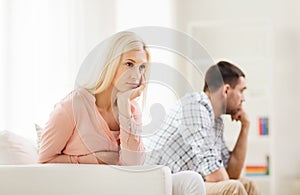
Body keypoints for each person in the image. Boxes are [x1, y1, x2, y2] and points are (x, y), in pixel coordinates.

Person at [38, 31, 205, 195]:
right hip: (91, 188)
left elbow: (133, 166)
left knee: (191, 180)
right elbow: (43, 161)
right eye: (129, 64)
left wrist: (125, 106)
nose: (136, 75)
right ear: (109, 64)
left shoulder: (132, 109)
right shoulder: (73, 106)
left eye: (141, 68)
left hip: (123, 186)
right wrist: (94, 160)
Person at [145, 61, 260, 195]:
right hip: (163, 186)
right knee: (233, 188)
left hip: (186, 184)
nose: (243, 99)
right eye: (241, 91)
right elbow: (216, 177)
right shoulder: (195, 107)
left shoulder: (215, 121)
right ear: (226, 90)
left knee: (247, 184)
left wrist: (245, 127)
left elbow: (231, 173)